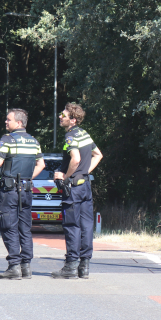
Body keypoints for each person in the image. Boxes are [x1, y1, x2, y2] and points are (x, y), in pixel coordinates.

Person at [52, 103, 103, 279]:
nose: (60, 117)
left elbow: (75, 159)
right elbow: (98, 155)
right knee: (87, 225)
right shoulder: (84, 134)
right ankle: (84, 266)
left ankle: (71, 266)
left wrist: (65, 177)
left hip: (73, 188)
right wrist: (85, 172)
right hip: (85, 186)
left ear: (72, 120)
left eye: (63, 115)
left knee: (72, 226)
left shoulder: (71, 136)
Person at [0, 109, 44, 279]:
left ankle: (14, 265)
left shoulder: (7, 139)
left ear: (19, 123)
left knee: (9, 227)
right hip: (27, 189)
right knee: (25, 228)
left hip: (10, 190)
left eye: (8, 120)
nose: (6, 122)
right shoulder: (34, 141)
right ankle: (26, 266)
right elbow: (41, 164)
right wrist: (27, 178)